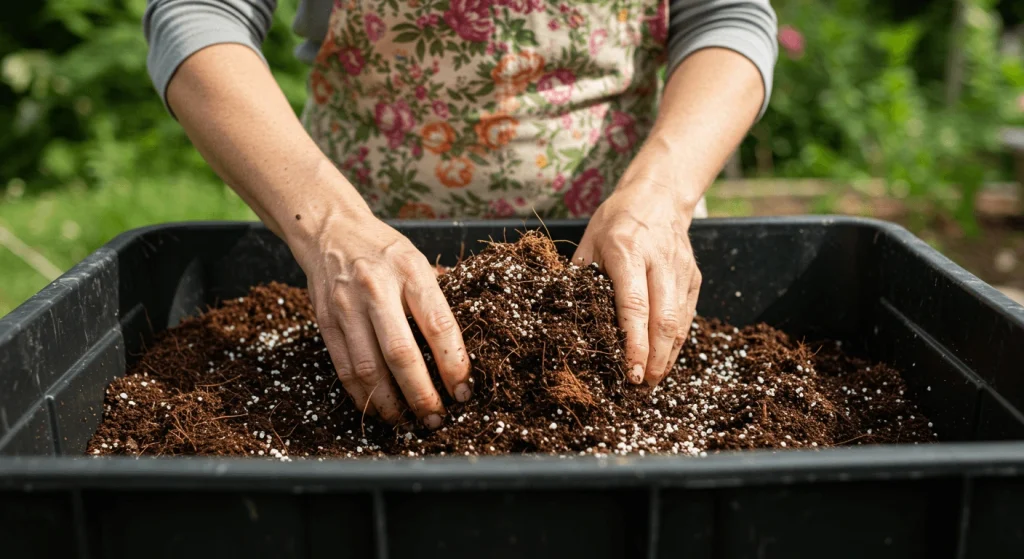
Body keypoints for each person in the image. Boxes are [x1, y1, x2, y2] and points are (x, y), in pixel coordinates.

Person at [144, 0, 778, 429]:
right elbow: (197, 12)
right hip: (356, 263)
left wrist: (663, 195)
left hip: (613, 265)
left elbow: (727, 16)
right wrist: (328, 225)